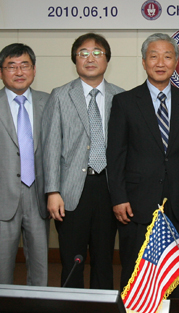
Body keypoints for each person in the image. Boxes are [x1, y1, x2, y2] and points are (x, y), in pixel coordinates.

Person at [107, 33, 179, 293]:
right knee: (136, 276)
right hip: (136, 205)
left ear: (176, 62)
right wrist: (118, 198)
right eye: (153, 56)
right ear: (144, 62)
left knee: (174, 276)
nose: (160, 62)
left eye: (167, 57)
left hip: (178, 204)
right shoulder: (124, 102)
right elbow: (116, 154)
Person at [42, 33, 124, 289]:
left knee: (104, 260)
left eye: (97, 53)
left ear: (107, 59)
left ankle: (102, 312)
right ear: (74, 60)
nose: (91, 58)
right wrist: (52, 191)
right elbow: (51, 146)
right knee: (72, 260)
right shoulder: (60, 95)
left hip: (108, 188)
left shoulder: (121, 97)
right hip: (71, 190)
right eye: (83, 53)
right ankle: (71, 311)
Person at [0, 43, 50, 286]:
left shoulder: (49, 102)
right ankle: (2, 308)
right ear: (0, 72)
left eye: (25, 65)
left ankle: (38, 306)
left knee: (40, 266)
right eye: (11, 66)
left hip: (38, 196)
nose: (19, 72)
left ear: (34, 69)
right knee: (2, 267)